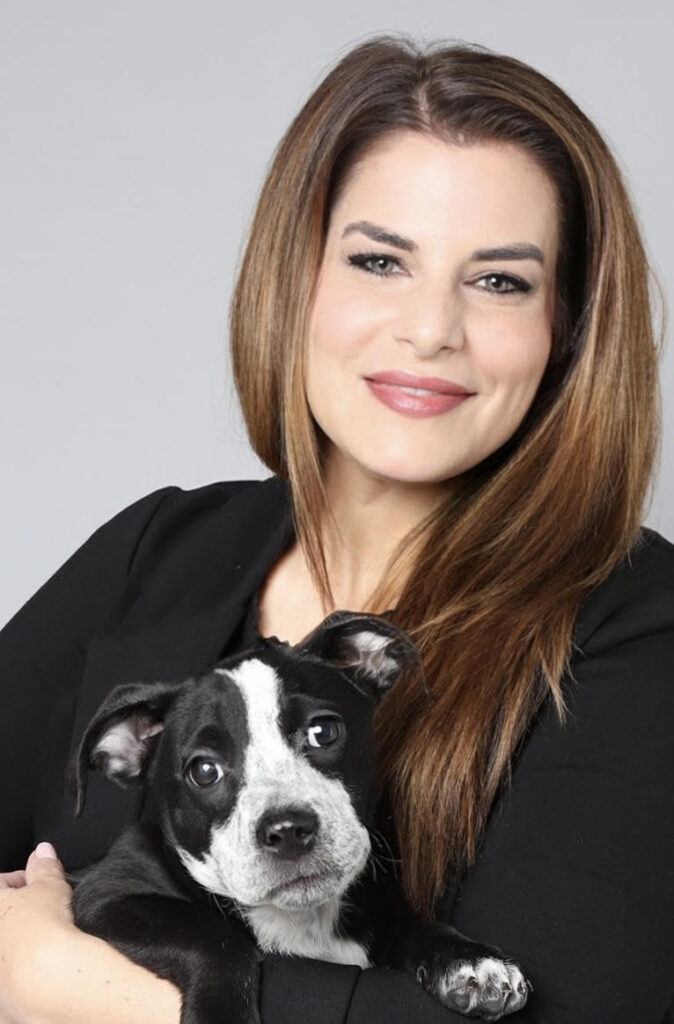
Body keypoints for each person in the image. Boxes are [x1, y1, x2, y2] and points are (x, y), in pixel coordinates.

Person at [0, 32, 672, 1024]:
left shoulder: (633, 625)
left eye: (497, 280)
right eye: (377, 261)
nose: (429, 328)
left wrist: (72, 988)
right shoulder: (159, 551)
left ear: (564, 332)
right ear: (295, 280)